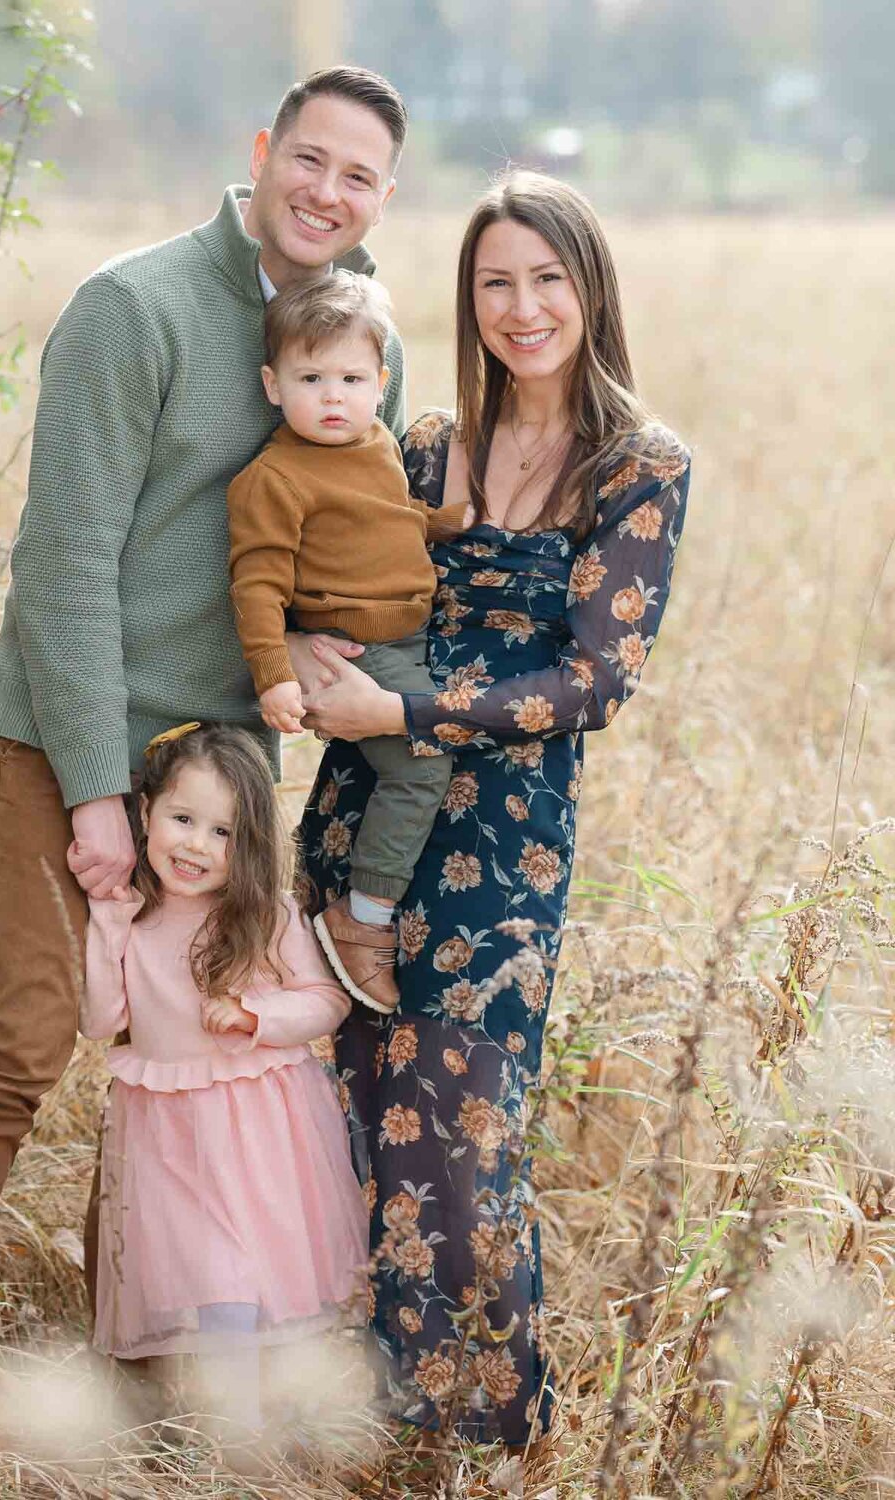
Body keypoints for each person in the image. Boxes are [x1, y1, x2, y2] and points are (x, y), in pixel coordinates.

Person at [0, 66, 408, 1401]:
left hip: (220, 771)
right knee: (21, 1039)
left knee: (186, 1054)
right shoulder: (134, 306)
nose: (329, 192)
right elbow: (66, 566)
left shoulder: (353, 326)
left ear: (384, 197)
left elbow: (343, 522)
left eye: (362, 176)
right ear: (264, 148)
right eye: (312, 159)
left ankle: (149, 1351)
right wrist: (96, 793)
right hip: (73, 744)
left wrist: (340, 638)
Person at [295, 169, 692, 1456]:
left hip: (500, 857)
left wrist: (403, 717)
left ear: (589, 290)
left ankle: (486, 1441)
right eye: (494, 284)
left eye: (545, 280)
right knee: (342, 1131)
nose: (521, 309)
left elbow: (593, 682)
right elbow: (331, 585)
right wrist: (305, 653)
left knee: (464, 1152)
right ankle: (359, 1439)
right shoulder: (418, 445)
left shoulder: (641, 466)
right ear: (468, 302)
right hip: (362, 827)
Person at [81, 722, 365, 1437]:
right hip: (169, 1131)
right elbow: (97, 1019)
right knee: (209, 1281)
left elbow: (325, 1002)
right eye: (182, 820)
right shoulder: (134, 919)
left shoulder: (265, 916)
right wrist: (106, 925)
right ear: (145, 814)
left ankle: (270, 1431)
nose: (196, 845)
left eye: (223, 833)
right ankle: (233, 1438)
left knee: (261, 1278)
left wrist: (253, 1015)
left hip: (261, 1127)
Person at [227, 271, 467, 1015]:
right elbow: (258, 584)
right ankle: (362, 920)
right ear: (273, 384)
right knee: (424, 767)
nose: (333, 396)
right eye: (311, 377)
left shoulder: (377, 446)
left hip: (411, 633)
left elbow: (382, 523)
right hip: (358, 653)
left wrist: (443, 524)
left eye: (351, 378)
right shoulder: (274, 478)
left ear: (380, 382)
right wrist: (275, 676)